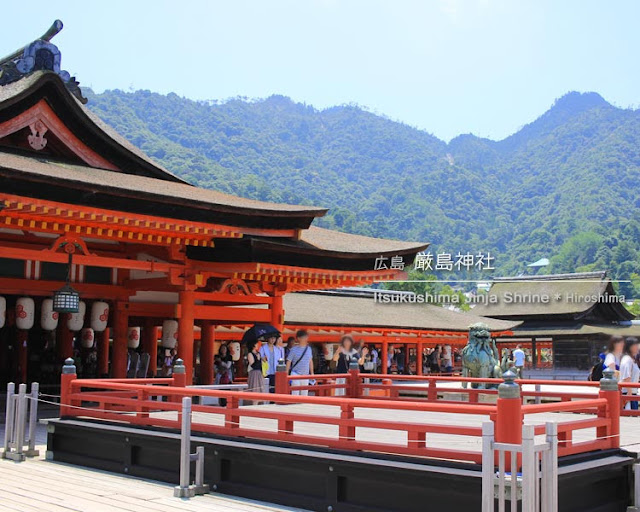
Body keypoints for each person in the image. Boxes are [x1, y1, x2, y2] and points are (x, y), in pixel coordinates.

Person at [286, 330, 314, 396]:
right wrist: (286, 374)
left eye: (306, 337)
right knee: (295, 393)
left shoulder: (309, 349)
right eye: (304, 337)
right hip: (296, 373)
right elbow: (289, 361)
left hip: (305, 374)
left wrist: (312, 373)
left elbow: (310, 361)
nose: (306, 339)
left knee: (304, 394)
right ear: (299, 338)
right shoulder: (294, 349)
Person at [620, 337, 640, 411]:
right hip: (628, 392)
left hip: (632, 392)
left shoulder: (632, 359)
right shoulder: (627, 359)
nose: (637, 347)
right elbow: (626, 377)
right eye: (635, 345)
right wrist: (629, 394)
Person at [246, 338, 267, 404]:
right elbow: (253, 365)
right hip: (254, 373)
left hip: (259, 373)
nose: (257, 345)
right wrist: (258, 359)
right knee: (255, 389)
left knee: (261, 389)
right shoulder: (250, 354)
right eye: (256, 344)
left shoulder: (258, 353)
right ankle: (254, 404)